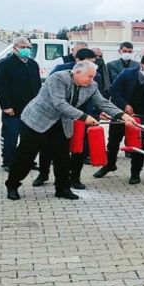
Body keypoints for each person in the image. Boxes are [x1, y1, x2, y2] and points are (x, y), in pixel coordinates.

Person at [5, 60, 136, 201]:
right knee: (26, 156)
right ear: (77, 72)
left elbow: (103, 102)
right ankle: (12, 185)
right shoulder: (58, 78)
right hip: (37, 121)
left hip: (62, 123)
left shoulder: (92, 85)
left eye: (93, 77)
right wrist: (84, 117)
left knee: (63, 158)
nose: (92, 80)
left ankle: (62, 189)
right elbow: (60, 103)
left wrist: (123, 115)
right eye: (90, 76)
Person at [33, 48, 100, 190]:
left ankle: (75, 178)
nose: (92, 67)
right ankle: (43, 174)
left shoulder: (93, 75)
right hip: (57, 116)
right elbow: (54, 95)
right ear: (78, 61)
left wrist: (95, 113)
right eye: (88, 62)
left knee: (79, 149)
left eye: (93, 63)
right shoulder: (60, 72)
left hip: (83, 117)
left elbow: (98, 97)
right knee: (47, 147)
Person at [93, 54, 144, 184]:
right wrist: (124, 105)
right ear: (142, 64)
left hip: (141, 118)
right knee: (113, 141)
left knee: (138, 145)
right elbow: (114, 91)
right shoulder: (127, 73)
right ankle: (109, 165)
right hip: (120, 113)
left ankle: (135, 173)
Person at [0, 37, 42, 171]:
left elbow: (37, 85)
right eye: (23, 47)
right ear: (15, 48)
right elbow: (1, 86)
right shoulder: (6, 63)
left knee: (28, 137)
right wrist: (6, 106)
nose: (26, 50)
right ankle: (9, 161)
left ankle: (26, 160)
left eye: (28, 47)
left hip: (31, 108)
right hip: (13, 108)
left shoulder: (32, 64)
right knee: (10, 135)